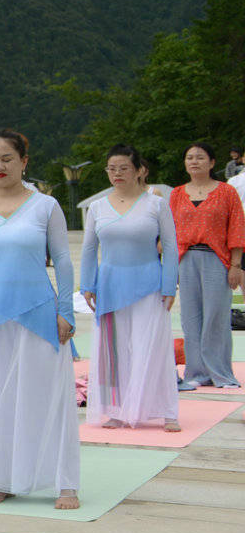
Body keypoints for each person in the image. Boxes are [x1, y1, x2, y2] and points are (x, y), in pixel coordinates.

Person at [0, 129, 80, 509]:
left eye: (7, 159)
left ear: (24, 162)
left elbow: (61, 260)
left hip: (40, 313)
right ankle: (2, 477)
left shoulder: (45, 206)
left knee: (50, 397)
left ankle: (66, 483)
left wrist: (64, 312)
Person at [84, 146, 181, 432]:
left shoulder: (156, 204)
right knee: (114, 350)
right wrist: (88, 284)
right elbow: (90, 248)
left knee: (153, 347)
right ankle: (117, 409)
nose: (116, 173)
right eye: (111, 168)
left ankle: (166, 410)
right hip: (111, 286)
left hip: (149, 284)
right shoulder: (98, 207)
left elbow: (172, 248)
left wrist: (169, 285)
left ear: (140, 170)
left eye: (123, 167)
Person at [173, 142, 245, 392]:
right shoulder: (178, 193)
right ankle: (197, 372)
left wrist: (236, 265)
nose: (194, 161)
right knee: (191, 318)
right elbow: (170, 231)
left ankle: (221, 373)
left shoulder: (226, 192)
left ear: (212, 163)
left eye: (200, 158)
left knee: (216, 316)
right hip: (185, 259)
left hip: (216, 258)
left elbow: (236, 228)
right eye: (189, 157)